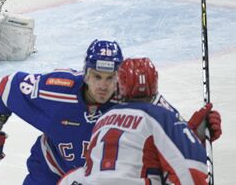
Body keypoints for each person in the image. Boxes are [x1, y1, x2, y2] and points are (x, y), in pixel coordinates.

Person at [0, 41, 222, 184]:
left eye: (110, 78)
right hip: (49, 172)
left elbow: (173, 139)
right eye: (97, 77)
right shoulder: (56, 89)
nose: (103, 86)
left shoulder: (135, 101)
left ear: (120, 77)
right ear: (86, 73)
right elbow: (5, 87)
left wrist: (195, 131)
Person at [58, 57, 221, 184]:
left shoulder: (103, 120)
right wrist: (191, 138)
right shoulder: (161, 116)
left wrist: (190, 134)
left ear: (120, 86)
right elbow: (189, 167)